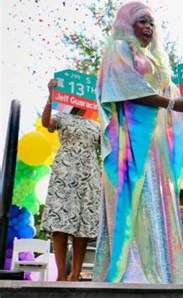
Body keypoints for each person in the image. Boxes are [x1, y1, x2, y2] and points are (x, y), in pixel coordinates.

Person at [93, 1, 183, 284]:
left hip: (154, 148)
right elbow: (129, 89)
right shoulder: (118, 49)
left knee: (154, 202)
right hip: (131, 144)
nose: (147, 28)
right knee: (134, 200)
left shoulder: (158, 62)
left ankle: (158, 268)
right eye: (141, 21)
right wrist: (170, 102)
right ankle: (130, 271)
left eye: (151, 23)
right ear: (127, 23)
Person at [40, 78, 101, 281]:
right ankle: (60, 274)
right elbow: (46, 123)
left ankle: (75, 274)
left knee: (83, 223)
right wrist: (51, 96)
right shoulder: (63, 115)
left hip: (89, 172)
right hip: (65, 171)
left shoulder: (97, 120)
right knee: (60, 221)